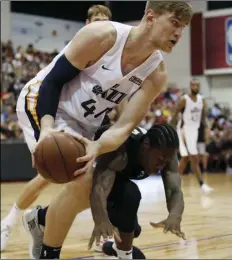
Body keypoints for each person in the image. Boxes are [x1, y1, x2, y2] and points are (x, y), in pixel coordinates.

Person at [6, 1, 193, 258]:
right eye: (174, 22)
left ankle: (41, 220)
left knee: (98, 186)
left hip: (86, 123)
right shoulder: (103, 36)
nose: (179, 33)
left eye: (183, 27)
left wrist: (97, 145)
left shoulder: (156, 73)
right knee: (83, 181)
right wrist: (48, 129)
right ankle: (48, 252)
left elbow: (125, 125)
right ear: (150, 17)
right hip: (44, 102)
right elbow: (53, 81)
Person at [1, 4, 112, 252]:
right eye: (97, 20)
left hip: (82, 120)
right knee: (50, 172)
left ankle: (43, 220)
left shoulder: (112, 56)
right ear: (86, 24)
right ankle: (8, 223)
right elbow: (55, 84)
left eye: (106, 21)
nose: (101, 25)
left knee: (93, 178)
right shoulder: (84, 44)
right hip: (50, 106)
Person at [24, 124, 185, 259]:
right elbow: (99, 188)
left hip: (117, 176)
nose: (162, 165)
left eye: (166, 161)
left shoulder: (166, 154)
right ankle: (124, 254)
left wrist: (175, 215)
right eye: (160, 159)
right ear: (146, 146)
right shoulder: (121, 150)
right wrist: (100, 219)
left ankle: (40, 217)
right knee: (130, 196)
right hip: (94, 170)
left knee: (133, 229)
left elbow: (175, 190)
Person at [170, 79, 214, 193]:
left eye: (196, 85)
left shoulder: (202, 100)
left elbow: (204, 116)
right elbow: (175, 113)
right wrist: (169, 128)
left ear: (199, 87)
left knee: (189, 159)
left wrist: (207, 128)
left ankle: (174, 183)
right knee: (190, 157)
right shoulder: (184, 99)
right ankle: (201, 185)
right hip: (183, 131)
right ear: (190, 87)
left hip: (194, 131)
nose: (194, 87)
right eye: (192, 85)